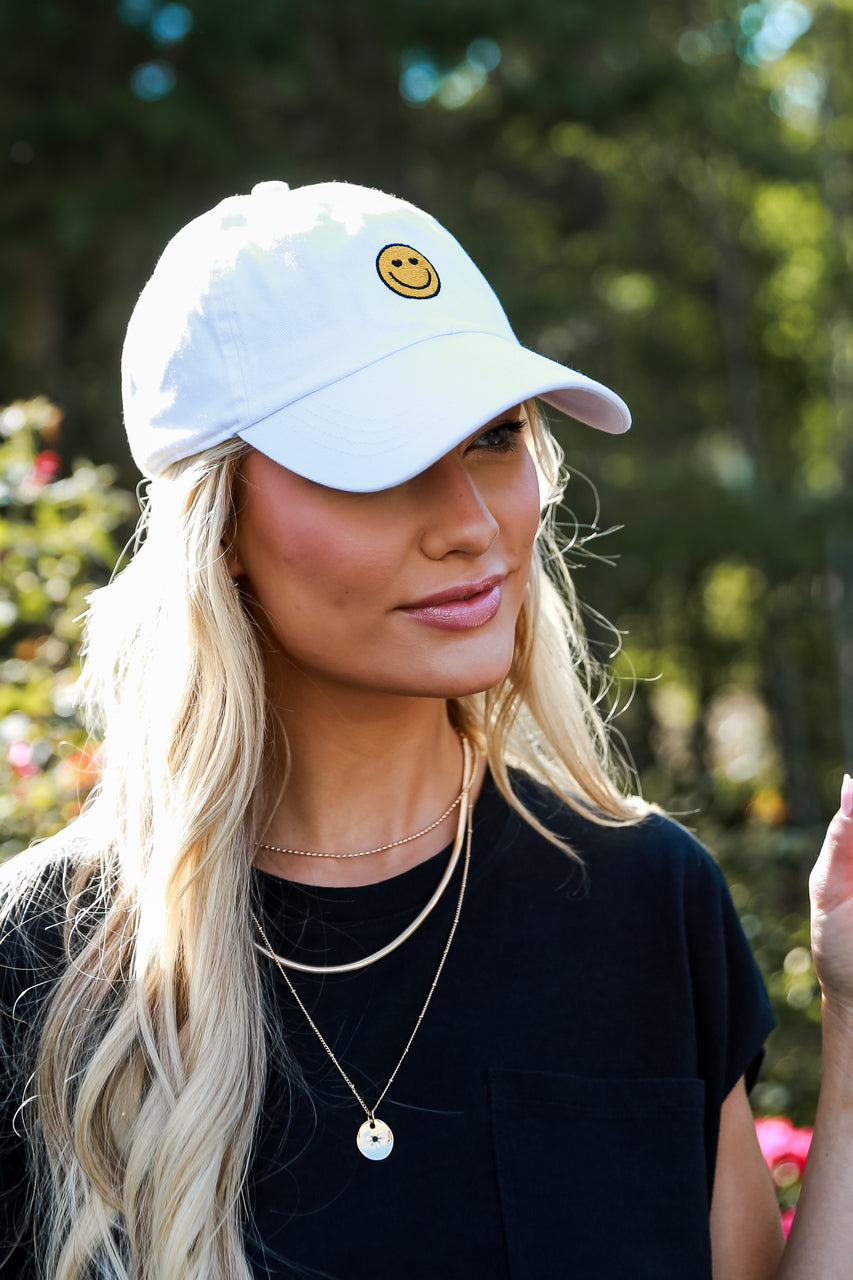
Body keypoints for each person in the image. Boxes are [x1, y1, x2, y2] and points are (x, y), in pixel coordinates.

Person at [0, 179, 851, 1280]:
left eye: (496, 436)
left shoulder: (645, 901)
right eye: (382, 459)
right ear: (220, 525)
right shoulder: (41, 964)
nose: (469, 521)